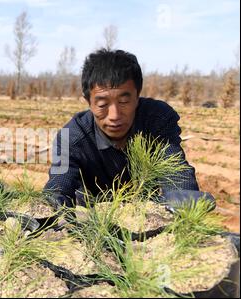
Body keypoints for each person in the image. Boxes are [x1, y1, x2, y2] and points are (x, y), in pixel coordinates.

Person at [44, 49, 201, 208]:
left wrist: (184, 204)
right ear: (88, 101)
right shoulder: (69, 137)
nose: (114, 115)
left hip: (145, 214)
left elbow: (174, 171)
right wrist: (54, 204)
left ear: (137, 95)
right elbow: (58, 185)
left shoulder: (157, 119)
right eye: (102, 104)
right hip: (94, 216)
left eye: (124, 102)